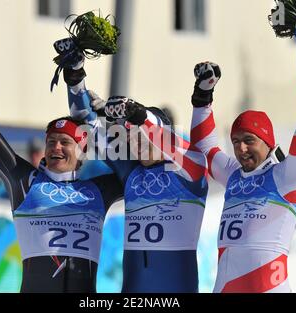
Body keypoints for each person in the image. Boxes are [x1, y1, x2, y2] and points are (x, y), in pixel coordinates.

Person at [0, 42, 123, 292]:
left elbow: (138, 168)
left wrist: (101, 122)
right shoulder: (26, 181)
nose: (56, 148)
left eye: (65, 142)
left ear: (82, 150)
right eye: (51, 142)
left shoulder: (99, 190)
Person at [56, 37, 209, 292]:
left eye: (141, 135)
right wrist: (75, 77)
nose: (135, 144)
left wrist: (138, 114)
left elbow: (172, 141)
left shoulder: (188, 170)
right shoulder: (131, 172)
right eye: (130, 138)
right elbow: (87, 126)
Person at [189, 21, 296, 292]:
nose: (241, 149)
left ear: (268, 141)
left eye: (249, 141)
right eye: (236, 142)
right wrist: (202, 98)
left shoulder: (289, 176)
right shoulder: (234, 176)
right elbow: (204, 149)